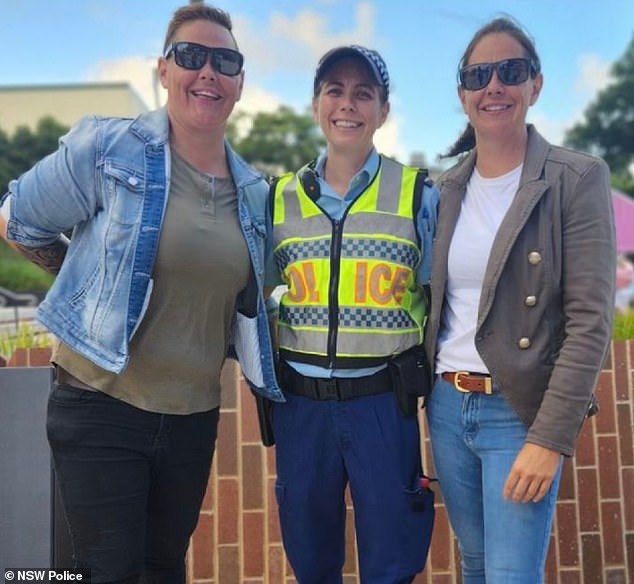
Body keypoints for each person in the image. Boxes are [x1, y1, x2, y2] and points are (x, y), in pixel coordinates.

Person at [0, 4, 282, 582]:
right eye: (191, 56)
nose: (208, 71)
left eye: (225, 60)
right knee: (109, 572)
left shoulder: (255, 193)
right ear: (164, 69)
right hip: (101, 403)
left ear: (240, 82)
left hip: (192, 416)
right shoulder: (108, 147)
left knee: (162, 570)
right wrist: (84, 285)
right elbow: (17, 217)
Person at [424, 16, 616, 584]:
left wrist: (550, 437)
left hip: (518, 412)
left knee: (511, 574)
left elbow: (590, 322)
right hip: (446, 405)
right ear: (462, 94)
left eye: (511, 71)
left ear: (535, 84)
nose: (494, 86)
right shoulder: (442, 190)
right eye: (478, 75)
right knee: (477, 565)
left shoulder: (576, 178)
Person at [267, 45, 438, 583]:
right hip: (301, 407)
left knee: (392, 564)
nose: (348, 104)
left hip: (383, 405)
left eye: (364, 93)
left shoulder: (418, 196)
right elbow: (251, 295)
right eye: (335, 90)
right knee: (311, 561)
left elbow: (441, 298)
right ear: (317, 104)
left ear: (383, 110)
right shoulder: (277, 199)